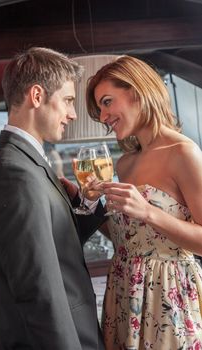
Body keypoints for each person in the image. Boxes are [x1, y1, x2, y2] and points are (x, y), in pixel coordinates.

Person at [0, 47, 105, 350]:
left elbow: (56, 247)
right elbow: (39, 289)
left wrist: (86, 204)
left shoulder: (27, 162)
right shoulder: (14, 173)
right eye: (68, 100)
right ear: (37, 96)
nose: (73, 114)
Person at [86, 55, 202, 349]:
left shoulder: (183, 152)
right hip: (124, 289)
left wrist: (148, 212)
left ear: (137, 91)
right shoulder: (124, 163)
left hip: (167, 294)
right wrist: (86, 203)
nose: (103, 116)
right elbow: (127, 239)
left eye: (107, 101)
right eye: (100, 107)